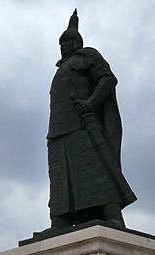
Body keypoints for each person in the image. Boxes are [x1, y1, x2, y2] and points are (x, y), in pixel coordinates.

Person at [45, 9, 136, 231]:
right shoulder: (60, 69)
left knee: (93, 168)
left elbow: (108, 78)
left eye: (66, 40)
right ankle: (61, 219)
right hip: (58, 131)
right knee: (60, 176)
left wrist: (90, 103)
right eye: (60, 42)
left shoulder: (87, 56)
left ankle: (112, 215)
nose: (62, 45)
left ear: (77, 41)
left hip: (81, 126)